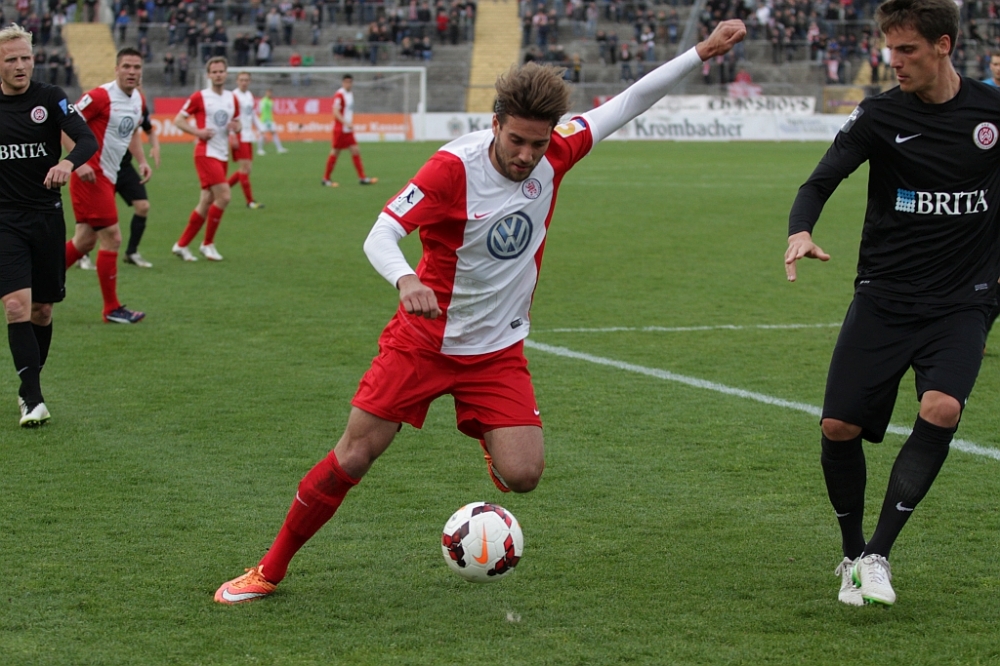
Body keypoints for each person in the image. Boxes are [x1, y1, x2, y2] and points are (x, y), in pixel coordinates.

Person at [214, 18, 747, 604]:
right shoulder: (452, 168)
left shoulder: (558, 151)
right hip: (423, 341)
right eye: (515, 140)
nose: (526, 155)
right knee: (356, 454)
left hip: (496, 349)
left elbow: (630, 100)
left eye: (537, 144)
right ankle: (268, 570)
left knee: (524, 476)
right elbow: (380, 233)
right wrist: (406, 278)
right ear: (495, 123)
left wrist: (702, 51)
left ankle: (490, 438)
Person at [784, 0, 1000, 608]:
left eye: (907, 49)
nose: (894, 61)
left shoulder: (991, 111)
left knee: (942, 408)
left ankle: (877, 554)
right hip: (885, 295)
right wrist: (800, 230)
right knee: (838, 426)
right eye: (890, 49)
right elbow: (820, 180)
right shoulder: (880, 114)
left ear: (944, 45)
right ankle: (852, 552)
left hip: (963, 300)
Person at [0, 24, 97, 426]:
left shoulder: (50, 97)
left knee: (41, 311)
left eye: (26, 57)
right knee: (15, 305)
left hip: (46, 217)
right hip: (5, 220)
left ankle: (30, 384)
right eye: (11, 59)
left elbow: (86, 139)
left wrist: (67, 163)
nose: (20, 65)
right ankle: (33, 398)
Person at [64, 47, 150, 324]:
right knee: (112, 237)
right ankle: (111, 309)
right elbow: (64, 124)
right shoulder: (101, 96)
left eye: (136, 67)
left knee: (84, 240)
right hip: (91, 175)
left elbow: (132, 132)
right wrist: (78, 162)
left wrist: (142, 160)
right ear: (116, 69)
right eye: (126, 66)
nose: (132, 72)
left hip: (109, 175)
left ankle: (37, 281)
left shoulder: (138, 100)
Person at [171, 56, 240, 262]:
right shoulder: (200, 97)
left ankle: (181, 245)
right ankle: (208, 244)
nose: (218, 75)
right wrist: (197, 132)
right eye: (214, 72)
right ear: (208, 75)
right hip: (205, 153)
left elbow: (237, 123)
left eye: (221, 71)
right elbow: (178, 120)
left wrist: (236, 128)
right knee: (224, 196)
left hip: (222, 154)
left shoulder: (232, 98)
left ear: (226, 73)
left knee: (206, 201)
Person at [118, 89, 160, 268]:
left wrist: (146, 156)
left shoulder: (139, 103)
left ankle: (131, 252)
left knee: (143, 206)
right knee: (98, 216)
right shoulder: (107, 99)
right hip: (101, 166)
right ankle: (83, 255)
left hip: (124, 165)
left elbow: (144, 130)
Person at [321, 74, 377, 187]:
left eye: (350, 82)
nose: (348, 84)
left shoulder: (350, 94)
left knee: (355, 150)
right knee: (335, 152)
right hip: (340, 129)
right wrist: (346, 123)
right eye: (346, 82)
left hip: (348, 130)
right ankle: (326, 179)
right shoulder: (339, 94)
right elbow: (335, 111)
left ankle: (362, 178)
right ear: (343, 83)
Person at [227, 71, 263, 208]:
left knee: (247, 169)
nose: (244, 82)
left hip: (248, 135)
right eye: (241, 80)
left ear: (249, 81)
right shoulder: (233, 96)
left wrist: (260, 129)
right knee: (244, 168)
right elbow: (230, 117)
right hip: (239, 134)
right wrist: (232, 135)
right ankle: (250, 201)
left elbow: (252, 114)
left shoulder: (249, 95)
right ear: (237, 81)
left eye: (246, 80)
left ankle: (222, 189)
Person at [256, 88, 287, 155]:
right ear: (266, 93)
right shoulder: (263, 101)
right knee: (262, 134)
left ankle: (279, 148)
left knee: (274, 133)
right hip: (264, 120)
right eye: (268, 92)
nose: (269, 94)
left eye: (270, 92)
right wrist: (265, 119)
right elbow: (261, 110)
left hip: (270, 120)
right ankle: (259, 150)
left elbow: (271, 111)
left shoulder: (271, 101)